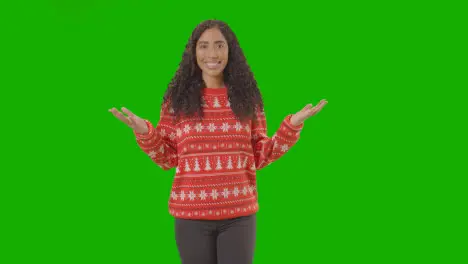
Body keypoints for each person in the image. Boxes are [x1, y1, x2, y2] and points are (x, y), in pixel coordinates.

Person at [109, 19, 327, 264]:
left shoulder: (248, 99)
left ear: (230, 50)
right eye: (203, 46)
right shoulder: (177, 100)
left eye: (219, 45)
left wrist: (292, 126)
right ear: (193, 52)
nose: (212, 53)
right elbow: (167, 157)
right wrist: (144, 131)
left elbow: (260, 155)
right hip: (190, 216)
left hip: (239, 217)